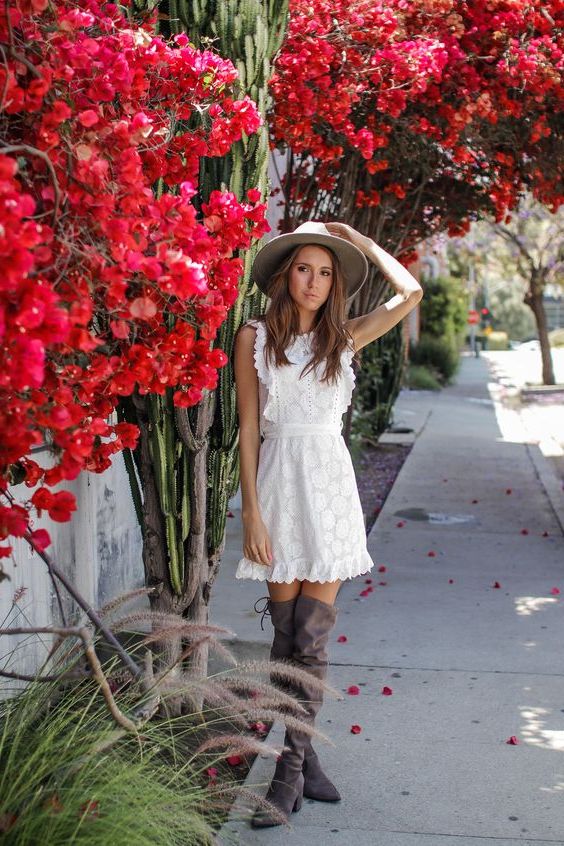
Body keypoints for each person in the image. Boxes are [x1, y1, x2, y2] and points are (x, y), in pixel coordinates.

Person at [233, 220, 423, 828]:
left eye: (324, 271)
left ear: (333, 282)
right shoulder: (254, 338)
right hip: (279, 494)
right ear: (285, 276)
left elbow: (411, 293)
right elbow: (246, 431)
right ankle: (307, 760)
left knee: (311, 639)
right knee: (286, 636)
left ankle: (286, 776)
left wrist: (363, 246)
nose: (313, 281)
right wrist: (252, 517)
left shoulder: (344, 338)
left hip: (332, 495)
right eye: (303, 268)